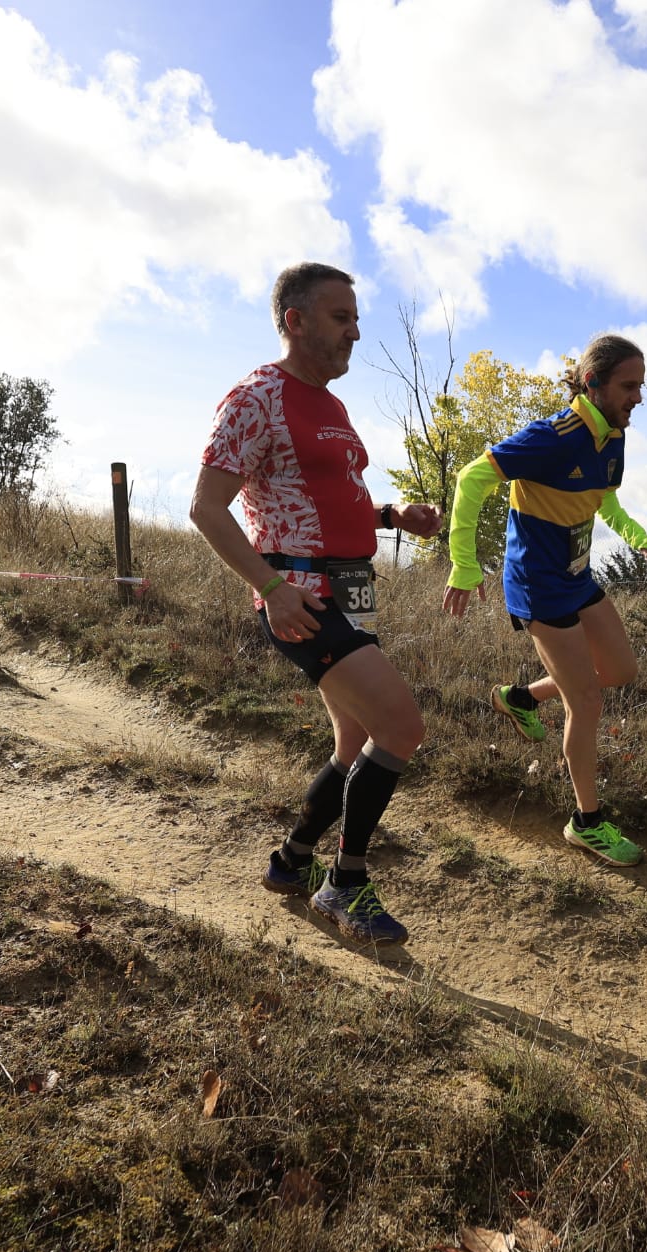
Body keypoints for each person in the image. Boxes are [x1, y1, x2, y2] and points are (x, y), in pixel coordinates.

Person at [190, 262, 441, 946]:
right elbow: (206, 508)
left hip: (353, 592)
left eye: (357, 319)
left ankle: (292, 861)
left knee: (355, 739)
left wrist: (394, 515)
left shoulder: (332, 405)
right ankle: (346, 882)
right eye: (341, 318)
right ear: (294, 320)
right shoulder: (256, 397)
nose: (355, 332)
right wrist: (271, 589)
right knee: (401, 727)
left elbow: (333, 496)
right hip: (301, 597)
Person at [441, 333, 647, 866]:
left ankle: (520, 698)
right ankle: (586, 822)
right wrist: (464, 563)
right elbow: (471, 477)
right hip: (538, 585)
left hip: (577, 576)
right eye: (629, 386)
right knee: (585, 701)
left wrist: (640, 538)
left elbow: (604, 499)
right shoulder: (552, 436)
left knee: (618, 668)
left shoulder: (613, 436)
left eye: (642, 386)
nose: (638, 398)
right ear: (593, 384)